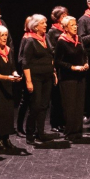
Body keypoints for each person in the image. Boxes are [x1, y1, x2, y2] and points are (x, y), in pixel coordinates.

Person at [21, 15, 56, 144]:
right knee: (35, 106)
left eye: (45, 22)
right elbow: (25, 63)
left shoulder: (46, 37)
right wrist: (28, 81)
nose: (45, 25)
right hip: (35, 77)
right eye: (43, 23)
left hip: (47, 76)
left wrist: (54, 72)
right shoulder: (30, 40)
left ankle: (40, 132)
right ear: (35, 26)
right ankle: (29, 134)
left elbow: (50, 56)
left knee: (44, 105)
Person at [54, 16, 89, 140]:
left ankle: (78, 131)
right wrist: (72, 67)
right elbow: (57, 61)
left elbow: (84, 54)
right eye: (72, 25)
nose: (75, 27)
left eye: (75, 25)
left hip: (80, 77)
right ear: (65, 28)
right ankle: (69, 133)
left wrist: (86, 63)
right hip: (68, 78)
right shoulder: (61, 41)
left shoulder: (78, 39)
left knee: (79, 105)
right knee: (70, 106)